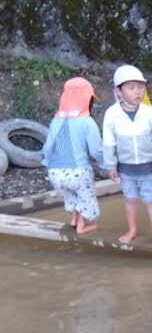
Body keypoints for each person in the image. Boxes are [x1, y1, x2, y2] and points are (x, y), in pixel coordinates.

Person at [102, 64, 152, 247]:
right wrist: (111, 165)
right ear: (119, 91)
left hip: (147, 166)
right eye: (131, 88)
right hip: (125, 167)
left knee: (151, 199)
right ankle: (132, 230)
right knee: (130, 199)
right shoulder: (112, 114)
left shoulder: (148, 112)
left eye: (140, 87)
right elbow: (108, 142)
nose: (137, 92)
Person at [41, 78, 104, 234]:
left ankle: (74, 219)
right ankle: (82, 225)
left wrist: (47, 163)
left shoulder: (56, 120)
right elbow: (96, 150)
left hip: (55, 172)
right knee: (86, 199)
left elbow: (47, 146)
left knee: (70, 196)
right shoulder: (87, 122)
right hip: (77, 171)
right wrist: (106, 164)